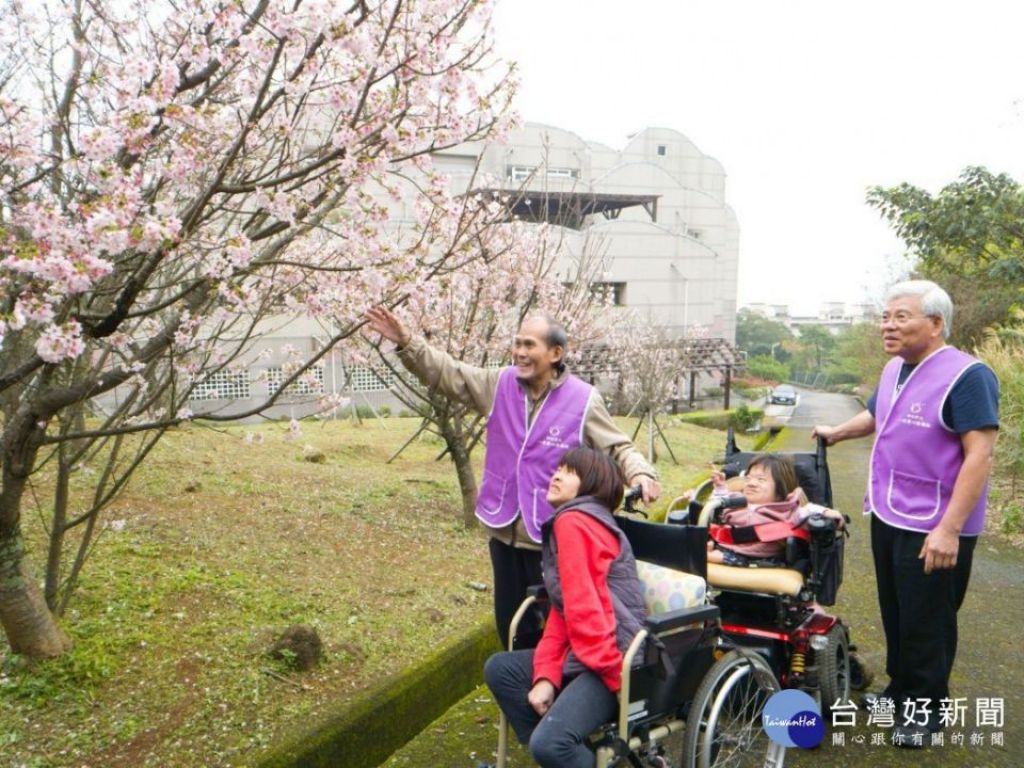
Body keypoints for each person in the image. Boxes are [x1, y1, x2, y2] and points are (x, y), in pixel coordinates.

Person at [364, 306, 660, 647]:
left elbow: (618, 446)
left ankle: (555, 693)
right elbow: (449, 374)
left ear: (555, 353)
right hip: (503, 530)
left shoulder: (582, 400)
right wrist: (407, 343)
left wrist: (640, 473)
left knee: (554, 631)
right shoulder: (499, 383)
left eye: (530, 345)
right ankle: (518, 692)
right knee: (511, 625)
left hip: (554, 539)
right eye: (517, 343)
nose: (519, 352)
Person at [813, 279, 999, 748]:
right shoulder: (896, 367)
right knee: (896, 611)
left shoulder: (968, 376)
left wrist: (950, 529)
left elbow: (980, 455)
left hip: (936, 521)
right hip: (891, 512)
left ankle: (927, 711)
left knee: (929, 618)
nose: (888, 325)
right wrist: (836, 433)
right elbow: (879, 417)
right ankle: (901, 692)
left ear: (936, 324)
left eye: (901, 317)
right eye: (885, 316)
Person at [482, 447, 647, 768]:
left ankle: (559, 750)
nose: (556, 474)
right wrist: (546, 674)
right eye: (558, 468)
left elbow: (586, 610)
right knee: (502, 670)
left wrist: (616, 679)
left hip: (614, 658)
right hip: (590, 653)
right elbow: (565, 610)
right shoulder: (579, 521)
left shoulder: (575, 522)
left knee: (550, 745)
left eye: (570, 471)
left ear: (592, 484)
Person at [701, 454, 845, 567]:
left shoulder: (785, 509)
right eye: (749, 478)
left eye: (761, 480)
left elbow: (809, 510)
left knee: (704, 556)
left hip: (761, 558)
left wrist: (828, 513)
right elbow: (716, 506)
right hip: (726, 546)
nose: (751, 483)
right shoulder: (736, 500)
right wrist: (720, 489)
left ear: (780, 488)